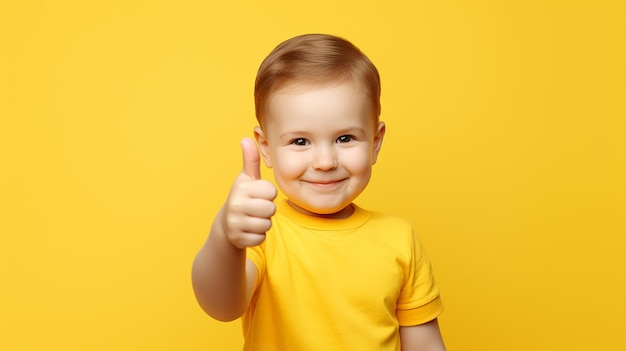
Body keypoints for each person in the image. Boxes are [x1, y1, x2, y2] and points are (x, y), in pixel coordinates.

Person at [192, 33, 446, 350]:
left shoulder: (400, 239)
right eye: (300, 141)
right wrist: (225, 236)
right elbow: (221, 306)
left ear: (375, 142)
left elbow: (424, 345)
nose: (325, 162)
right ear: (266, 148)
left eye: (345, 138)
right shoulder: (264, 234)